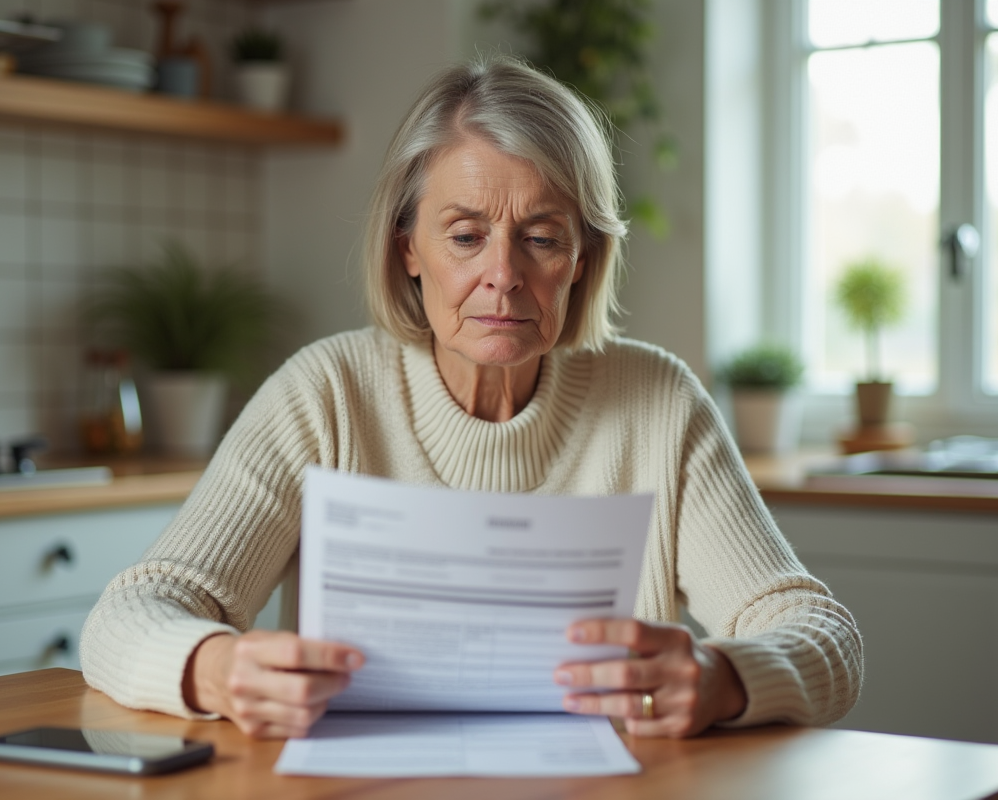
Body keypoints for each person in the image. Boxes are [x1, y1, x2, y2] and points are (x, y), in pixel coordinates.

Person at [81, 56, 862, 740]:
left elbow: (823, 634)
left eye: (542, 238)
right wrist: (218, 669)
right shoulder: (323, 394)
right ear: (408, 249)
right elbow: (127, 617)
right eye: (464, 236)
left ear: (582, 259)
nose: (504, 276)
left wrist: (722, 679)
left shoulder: (659, 403)